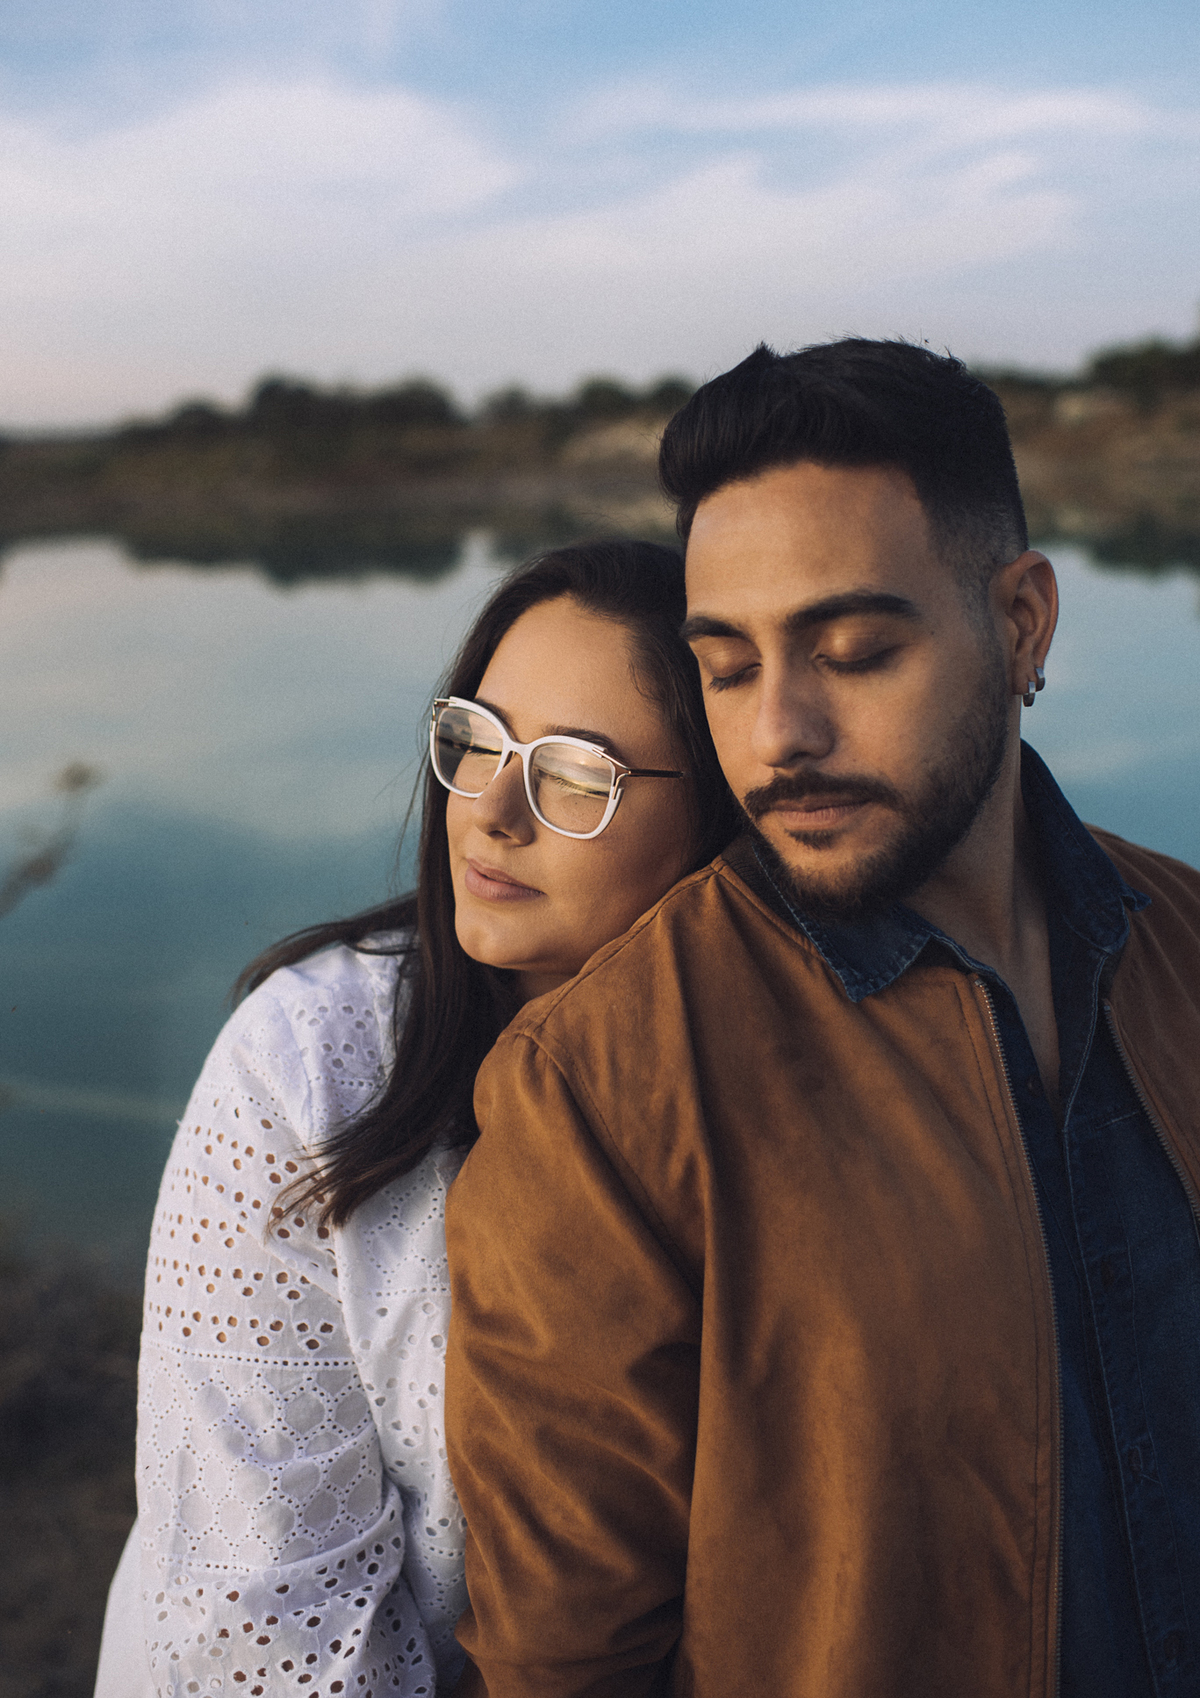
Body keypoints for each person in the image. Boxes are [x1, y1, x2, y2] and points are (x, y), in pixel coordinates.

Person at [444, 340, 1200, 1697]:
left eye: (853, 651)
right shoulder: (602, 1085)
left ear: (1023, 623)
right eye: (726, 668)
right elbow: (566, 1663)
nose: (779, 732)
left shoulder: (1186, 943)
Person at [93, 539, 739, 1698]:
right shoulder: (311, 1060)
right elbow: (261, 1615)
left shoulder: (764, 1090)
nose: (492, 810)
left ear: (718, 816)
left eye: (577, 774)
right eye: (474, 739)